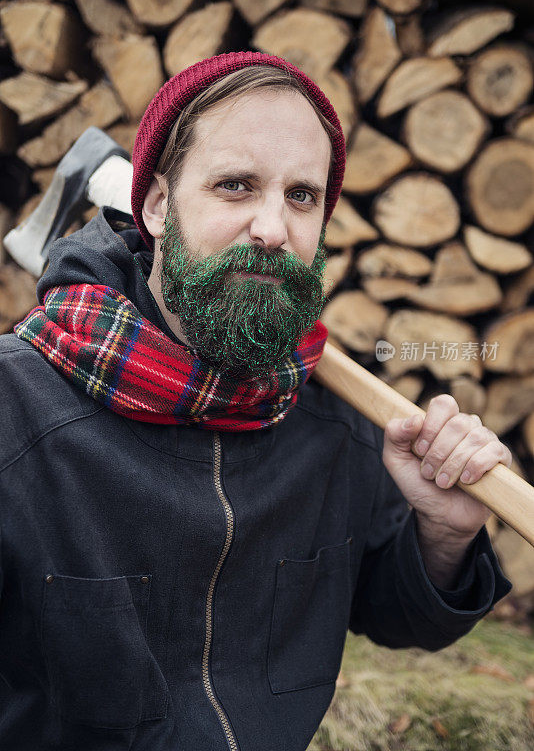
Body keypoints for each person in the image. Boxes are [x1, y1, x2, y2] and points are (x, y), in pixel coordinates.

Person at [0, 52, 512, 751]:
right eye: (235, 185)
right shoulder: (16, 411)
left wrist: (444, 535)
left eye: (301, 196)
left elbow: (402, 619)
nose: (273, 228)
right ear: (155, 205)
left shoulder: (334, 417)